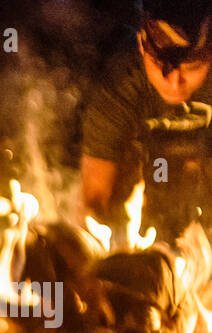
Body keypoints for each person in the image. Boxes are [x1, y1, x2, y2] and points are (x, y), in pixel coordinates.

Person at [80, 0, 212, 241]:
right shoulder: (121, 83)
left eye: (192, 68)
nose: (175, 83)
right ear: (142, 45)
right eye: (160, 66)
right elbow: (94, 201)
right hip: (136, 233)